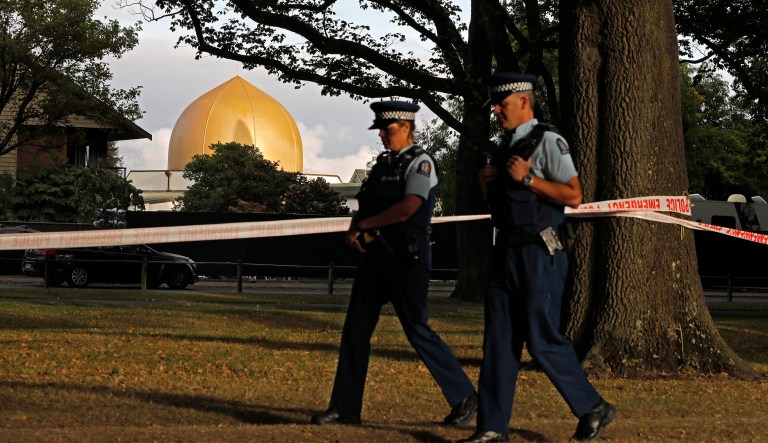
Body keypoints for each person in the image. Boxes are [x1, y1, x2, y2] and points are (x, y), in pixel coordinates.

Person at [459, 73, 616, 443]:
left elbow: (573, 195)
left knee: (541, 338)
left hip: (540, 254)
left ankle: (593, 407)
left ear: (524, 103)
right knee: (498, 341)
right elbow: (503, 207)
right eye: (495, 105)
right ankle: (492, 428)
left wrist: (529, 179)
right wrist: (487, 186)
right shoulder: (503, 148)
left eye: (502, 104)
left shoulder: (548, 141)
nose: (496, 111)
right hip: (506, 253)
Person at [311, 100, 477, 427]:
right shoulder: (383, 164)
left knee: (417, 330)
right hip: (376, 257)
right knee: (355, 331)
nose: (384, 136)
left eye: (388, 130)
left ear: (406, 127)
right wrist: (354, 227)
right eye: (381, 130)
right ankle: (345, 407)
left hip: (407, 259)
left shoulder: (421, 163)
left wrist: (364, 225)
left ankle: (464, 396)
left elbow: (409, 208)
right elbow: (367, 202)